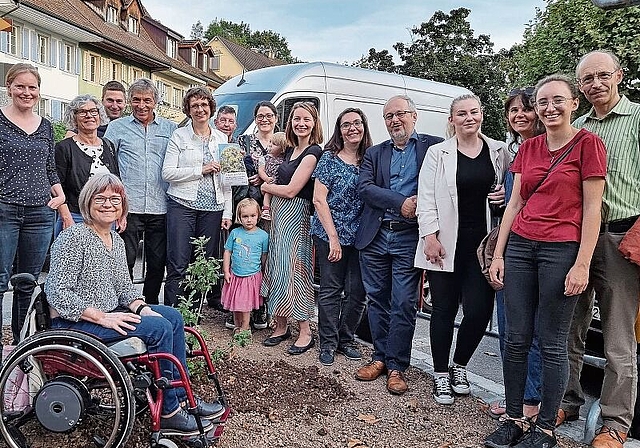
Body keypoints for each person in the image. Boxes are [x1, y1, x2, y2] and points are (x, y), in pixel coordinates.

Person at [44, 173, 224, 436]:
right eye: (100, 198)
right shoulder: (75, 238)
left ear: (123, 205)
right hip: (78, 323)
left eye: (114, 199)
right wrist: (101, 317)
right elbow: (57, 291)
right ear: (87, 202)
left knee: (171, 316)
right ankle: (170, 413)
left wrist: (142, 308)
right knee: (158, 329)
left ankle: (181, 397)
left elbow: (124, 288)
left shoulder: (114, 239)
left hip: (107, 315)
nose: (108, 204)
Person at [484, 75, 606, 448]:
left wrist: (582, 263)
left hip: (561, 250)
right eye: (542, 102)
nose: (549, 108)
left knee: (552, 342)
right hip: (521, 246)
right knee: (516, 339)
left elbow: (592, 208)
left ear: (574, 104)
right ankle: (516, 417)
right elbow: (515, 204)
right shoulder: (530, 147)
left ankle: (547, 426)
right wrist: (499, 253)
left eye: (557, 100)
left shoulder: (589, 145)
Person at [558, 50, 640, 448]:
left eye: (602, 76)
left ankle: (614, 424)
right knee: (570, 328)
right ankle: (568, 400)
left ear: (619, 76)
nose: (594, 85)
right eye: (586, 79)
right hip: (576, 239)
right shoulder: (577, 127)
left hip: (621, 239)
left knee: (617, 339)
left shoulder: (638, 119)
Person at [415, 94, 508, 405]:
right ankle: (440, 373)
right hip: (444, 243)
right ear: (451, 119)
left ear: (482, 114)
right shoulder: (437, 153)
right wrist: (430, 236)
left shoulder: (498, 151)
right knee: (443, 308)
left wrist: (503, 197)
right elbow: (425, 198)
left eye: (474, 112)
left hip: (483, 247)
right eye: (462, 114)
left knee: (480, 311)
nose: (469, 118)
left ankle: (460, 366)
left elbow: (510, 192)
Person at [354, 95, 443, 395]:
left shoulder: (433, 146)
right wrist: (400, 202)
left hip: (410, 236)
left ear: (414, 116)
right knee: (377, 299)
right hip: (376, 235)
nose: (395, 120)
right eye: (389, 116)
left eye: (400, 114)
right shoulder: (375, 153)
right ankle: (379, 357)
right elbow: (364, 187)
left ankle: (397, 366)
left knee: (404, 302)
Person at [0, 63, 65, 344]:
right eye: (21, 86)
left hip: (40, 212)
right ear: (9, 87)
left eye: (32, 87)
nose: (27, 92)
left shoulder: (46, 126)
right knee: (0, 280)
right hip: (4, 209)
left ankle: (22, 342)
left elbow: (49, 168)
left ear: (39, 91)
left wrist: (59, 194)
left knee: (28, 282)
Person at [489, 87, 544, 419]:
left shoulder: (547, 149)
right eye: (513, 111)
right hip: (509, 249)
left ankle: (530, 399)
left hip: (533, 249)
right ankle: (516, 395)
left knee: (530, 329)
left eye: (526, 109)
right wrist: (500, 196)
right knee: (508, 327)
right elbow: (514, 201)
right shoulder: (515, 151)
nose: (520, 115)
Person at [103, 79, 177, 305]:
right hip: (128, 206)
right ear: (130, 102)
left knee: (157, 261)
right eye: (136, 100)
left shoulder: (170, 128)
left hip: (160, 204)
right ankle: (124, 302)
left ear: (155, 102)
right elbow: (107, 163)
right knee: (124, 258)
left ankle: (151, 302)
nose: (141, 105)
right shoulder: (116, 128)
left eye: (147, 100)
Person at [260, 102, 323, 354]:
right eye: (296, 119)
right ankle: (281, 324)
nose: (301, 123)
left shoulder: (313, 152)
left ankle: (305, 331)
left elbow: (291, 189)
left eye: (306, 119)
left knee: (296, 270)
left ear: (314, 122)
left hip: (296, 215)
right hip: (278, 216)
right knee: (277, 267)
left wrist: (265, 188)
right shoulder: (289, 150)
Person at [161, 87, 232, 308]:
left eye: (204, 105)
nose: (200, 110)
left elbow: (228, 178)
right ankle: (175, 312)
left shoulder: (222, 137)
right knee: (179, 261)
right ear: (188, 110)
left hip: (213, 208)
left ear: (211, 108)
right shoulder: (179, 135)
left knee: (203, 262)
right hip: (182, 205)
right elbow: (167, 173)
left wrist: (227, 212)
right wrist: (200, 169)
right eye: (194, 106)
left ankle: (195, 312)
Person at [312, 108, 372, 366]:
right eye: (346, 124)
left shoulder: (370, 159)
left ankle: (345, 339)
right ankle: (327, 342)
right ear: (339, 130)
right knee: (330, 290)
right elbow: (318, 199)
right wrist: (333, 238)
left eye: (357, 123)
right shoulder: (329, 159)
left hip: (361, 237)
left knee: (357, 292)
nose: (352, 128)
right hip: (330, 234)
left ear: (364, 126)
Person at [55, 94, 120, 237]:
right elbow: (57, 185)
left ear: (99, 115)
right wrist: (66, 216)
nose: (89, 116)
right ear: (74, 117)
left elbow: (117, 183)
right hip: (75, 217)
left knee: (105, 259)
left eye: (93, 111)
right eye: (82, 112)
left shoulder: (109, 146)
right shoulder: (64, 147)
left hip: (106, 217)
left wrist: (120, 213)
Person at [221, 198, 269, 332]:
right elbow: (227, 251)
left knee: (245, 304)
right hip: (236, 275)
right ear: (239, 217)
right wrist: (226, 270)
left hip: (251, 276)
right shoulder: (235, 233)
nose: (249, 220)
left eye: (252, 216)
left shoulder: (263, 236)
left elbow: (263, 256)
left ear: (258, 215)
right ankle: (237, 325)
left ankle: (245, 327)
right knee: (236, 302)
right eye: (245, 216)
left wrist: (264, 273)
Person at [236, 101, 278, 207]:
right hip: (249, 202)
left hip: (276, 199)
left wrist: (263, 177)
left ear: (276, 118)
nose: (264, 120)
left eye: (269, 116)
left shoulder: (283, 142)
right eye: (260, 116)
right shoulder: (243, 141)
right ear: (255, 119)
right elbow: (234, 170)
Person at [258, 132, 287, 221]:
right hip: (270, 181)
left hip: (280, 183)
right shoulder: (265, 158)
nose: (270, 145)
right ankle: (266, 209)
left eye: (274, 144)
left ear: (282, 149)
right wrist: (266, 178)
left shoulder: (285, 159)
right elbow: (261, 170)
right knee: (268, 192)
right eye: (270, 142)